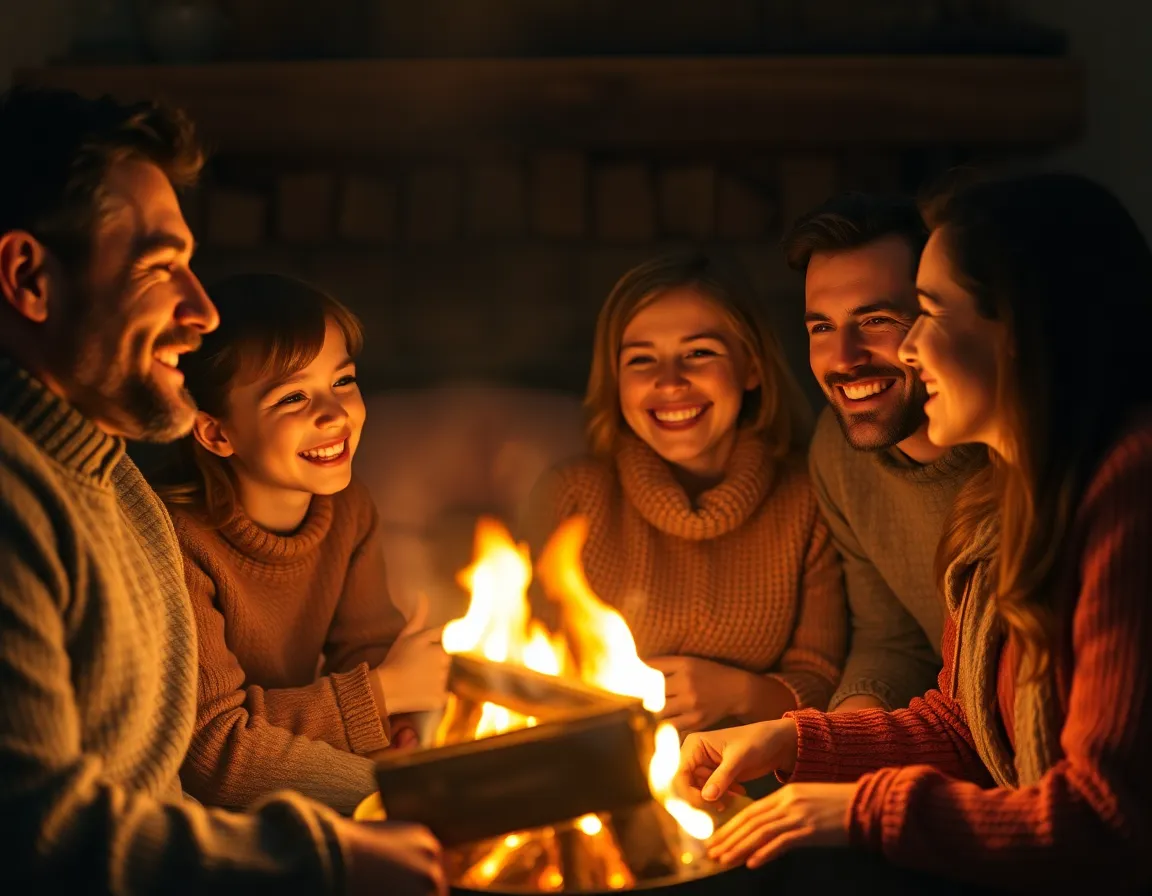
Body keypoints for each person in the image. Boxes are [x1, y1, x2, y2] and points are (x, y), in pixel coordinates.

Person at [0, 85, 443, 894]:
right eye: (159, 267)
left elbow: (157, 784)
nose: (201, 311)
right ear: (31, 277)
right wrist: (331, 852)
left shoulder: (115, 489)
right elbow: (38, 837)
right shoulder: (18, 505)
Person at [679, 173, 1152, 892]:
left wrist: (860, 810)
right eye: (819, 326)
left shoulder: (1128, 493)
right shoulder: (1001, 501)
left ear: (1024, 330)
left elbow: (1105, 823)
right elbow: (966, 724)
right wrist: (791, 739)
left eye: (926, 313)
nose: (910, 348)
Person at [154, 273, 449, 815]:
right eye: (293, 396)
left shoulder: (348, 509)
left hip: (288, 766)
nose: (334, 413)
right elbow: (217, 750)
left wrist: (397, 726)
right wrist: (383, 698)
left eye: (343, 381)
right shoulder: (177, 542)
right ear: (216, 433)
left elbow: (364, 647)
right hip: (199, 811)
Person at [526, 251, 846, 734]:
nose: (670, 381)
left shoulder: (808, 498)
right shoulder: (572, 496)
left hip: (754, 766)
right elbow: (520, 657)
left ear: (751, 366)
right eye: (641, 359)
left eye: (699, 353)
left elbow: (823, 683)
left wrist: (737, 694)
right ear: (615, 380)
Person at [784, 193, 983, 712]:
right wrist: (835, 737)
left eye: (876, 320)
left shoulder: (1016, 455)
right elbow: (892, 641)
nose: (844, 358)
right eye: (822, 327)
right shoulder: (837, 451)